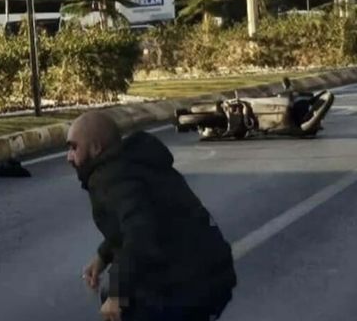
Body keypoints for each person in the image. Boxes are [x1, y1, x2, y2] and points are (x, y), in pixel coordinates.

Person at [66, 111, 236, 321]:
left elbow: (139, 233)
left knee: (124, 306)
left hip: (190, 283)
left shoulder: (110, 178)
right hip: (212, 272)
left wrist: (117, 294)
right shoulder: (133, 164)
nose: (69, 157)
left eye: (74, 148)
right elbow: (143, 220)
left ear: (96, 148)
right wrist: (103, 256)